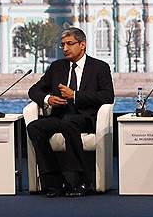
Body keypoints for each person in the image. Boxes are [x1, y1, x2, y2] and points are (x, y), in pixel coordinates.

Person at [26, 27, 114, 197]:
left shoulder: (99, 67)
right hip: (60, 115)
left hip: (85, 117)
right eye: (62, 45)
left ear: (82, 45)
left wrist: (75, 96)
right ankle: (54, 181)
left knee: (69, 123)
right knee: (34, 127)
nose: (65, 48)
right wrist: (48, 99)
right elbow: (34, 90)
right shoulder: (57, 67)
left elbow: (107, 96)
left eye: (69, 44)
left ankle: (80, 181)